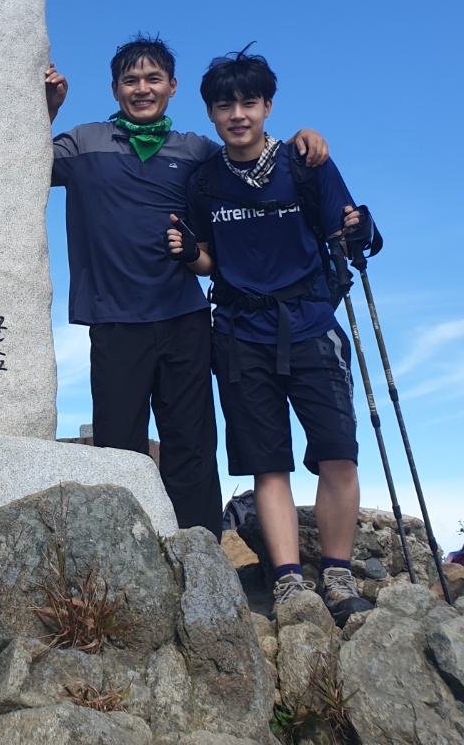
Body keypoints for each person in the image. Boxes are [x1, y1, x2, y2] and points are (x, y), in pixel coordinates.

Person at [44, 36, 327, 535]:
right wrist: (48, 108)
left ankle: (201, 550)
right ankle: (124, 552)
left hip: (185, 318)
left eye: (153, 78)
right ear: (114, 89)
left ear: (172, 86)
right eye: (130, 80)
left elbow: (251, 162)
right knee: (117, 448)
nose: (142, 89)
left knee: (191, 444)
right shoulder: (83, 142)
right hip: (114, 320)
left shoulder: (196, 151)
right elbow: (23, 163)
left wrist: (300, 139)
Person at [170, 46, 376, 624]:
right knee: (269, 463)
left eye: (249, 103)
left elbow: (346, 231)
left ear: (267, 106)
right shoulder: (206, 180)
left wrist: (361, 228)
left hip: (311, 326)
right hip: (240, 334)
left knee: (338, 455)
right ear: (210, 112)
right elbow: (208, 260)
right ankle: (288, 582)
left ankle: (337, 575)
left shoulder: (306, 164)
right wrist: (188, 255)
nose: (237, 115)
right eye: (224, 105)